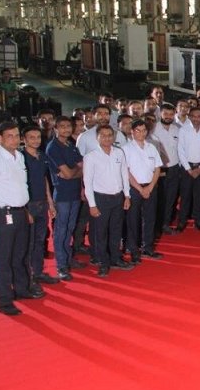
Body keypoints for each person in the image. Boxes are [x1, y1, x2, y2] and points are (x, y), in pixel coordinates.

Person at [0, 121, 39, 315]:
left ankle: (21, 289)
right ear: (0, 138)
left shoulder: (19, 157)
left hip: (20, 211)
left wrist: (25, 209)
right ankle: (4, 300)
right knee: (4, 257)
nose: (14, 139)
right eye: (9, 136)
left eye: (16, 135)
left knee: (20, 254)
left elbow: (21, 186)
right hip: (2, 213)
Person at [83, 125, 132, 278]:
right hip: (100, 199)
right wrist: (92, 205)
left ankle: (116, 258)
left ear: (114, 137)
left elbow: (124, 174)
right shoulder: (91, 156)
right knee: (101, 232)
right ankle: (103, 262)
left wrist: (127, 195)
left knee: (116, 230)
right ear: (97, 137)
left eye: (110, 135)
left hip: (118, 197)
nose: (107, 138)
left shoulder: (119, 152)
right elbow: (87, 183)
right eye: (103, 135)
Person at [45, 116, 84, 281]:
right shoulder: (53, 147)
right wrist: (75, 171)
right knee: (61, 229)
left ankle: (68, 259)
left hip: (75, 193)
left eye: (68, 126)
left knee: (70, 228)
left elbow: (82, 168)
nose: (66, 129)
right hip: (62, 195)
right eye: (62, 126)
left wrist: (73, 172)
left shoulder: (71, 145)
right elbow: (67, 174)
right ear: (55, 129)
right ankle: (61, 265)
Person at [21, 125, 58, 285]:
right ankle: (27, 276)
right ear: (24, 139)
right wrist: (24, 209)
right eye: (32, 137)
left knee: (39, 240)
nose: (36, 140)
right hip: (28, 205)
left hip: (42, 204)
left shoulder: (42, 156)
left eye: (38, 137)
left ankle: (38, 272)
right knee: (27, 242)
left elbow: (44, 180)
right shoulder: (20, 158)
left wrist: (50, 203)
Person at [124, 119, 163, 263]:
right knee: (133, 219)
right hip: (134, 188)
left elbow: (157, 168)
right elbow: (126, 171)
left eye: (144, 130)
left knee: (150, 218)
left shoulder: (151, 147)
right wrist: (140, 189)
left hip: (151, 187)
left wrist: (150, 186)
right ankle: (133, 250)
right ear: (132, 132)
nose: (141, 133)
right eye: (138, 131)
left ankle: (148, 247)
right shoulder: (126, 149)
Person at [177, 107, 200, 231]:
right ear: (189, 117)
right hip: (186, 168)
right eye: (193, 116)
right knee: (185, 196)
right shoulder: (183, 130)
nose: (196, 119)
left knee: (199, 196)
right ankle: (182, 222)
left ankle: (199, 221)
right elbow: (180, 150)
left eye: (199, 116)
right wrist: (188, 169)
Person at [152, 102, 181, 234]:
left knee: (170, 198)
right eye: (166, 114)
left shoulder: (177, 129)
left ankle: (166, 224)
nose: (168, 116)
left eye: (171, 114)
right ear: (160, 114)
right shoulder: (153, 128)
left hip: (174, 169)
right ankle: (155, 226)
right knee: (158, 199)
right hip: (158, 170)